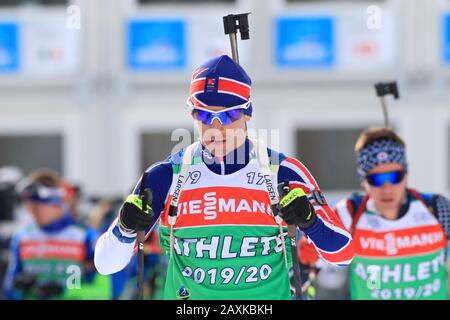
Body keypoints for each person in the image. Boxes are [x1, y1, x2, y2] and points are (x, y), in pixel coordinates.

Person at [94, 55, 354, 300]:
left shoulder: (282, 172)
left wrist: (310, 221)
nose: (216, 127)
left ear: (247, 113)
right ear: (192, 114)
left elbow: (342, 254)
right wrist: (125, 229)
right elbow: (106, 264)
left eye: (229, 115)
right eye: (205, 115)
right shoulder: (166, 175)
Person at [301, 127, 450, 300]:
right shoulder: (348, 214)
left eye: (395, 177)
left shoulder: (437, 209)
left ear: (406, 175)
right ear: (364, 181)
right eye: (376, 179)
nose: (387, 188)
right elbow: (306, 258)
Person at [3, 169, 111, 299]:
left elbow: (104, 292)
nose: (31, 211)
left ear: (55, 203)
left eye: (37, 205)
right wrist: (20, 289)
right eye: (29, 205)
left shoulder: (87, 237)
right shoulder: (22, 236)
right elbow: (9, 288)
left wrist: (65, 292)